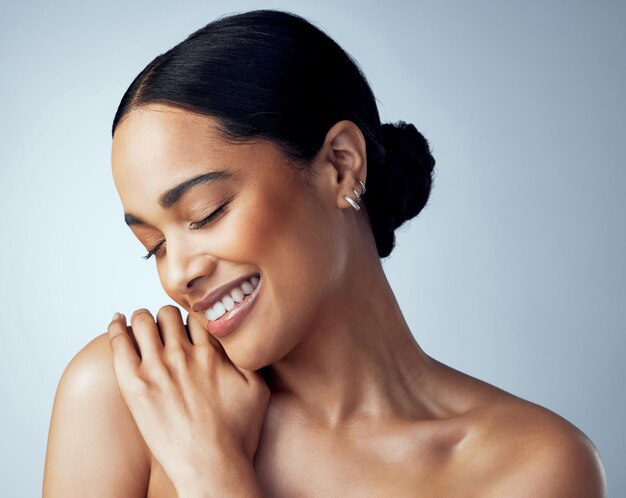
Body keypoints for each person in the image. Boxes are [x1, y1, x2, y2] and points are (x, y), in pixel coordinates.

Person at [42, 9, 606, 497]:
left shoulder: (533, 469)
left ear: (340, 164)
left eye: (206, 212)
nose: (180, 273)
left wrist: (212, 475)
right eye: (155, 246)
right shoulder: (129, 394)